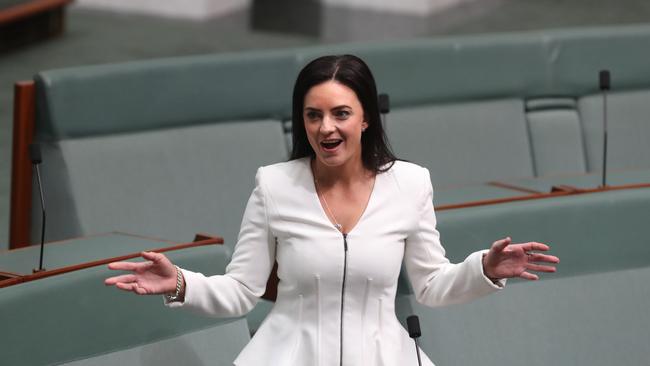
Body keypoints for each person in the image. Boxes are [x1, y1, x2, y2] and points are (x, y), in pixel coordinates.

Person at [105, 54, 559, 365]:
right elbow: (242, 290)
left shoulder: (410, 183)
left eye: (341, 113)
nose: (326, 128)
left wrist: (487, 269)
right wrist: (180, 282)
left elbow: (433, 286)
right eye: (313, 115)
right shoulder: (274, 184)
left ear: (366, 119)